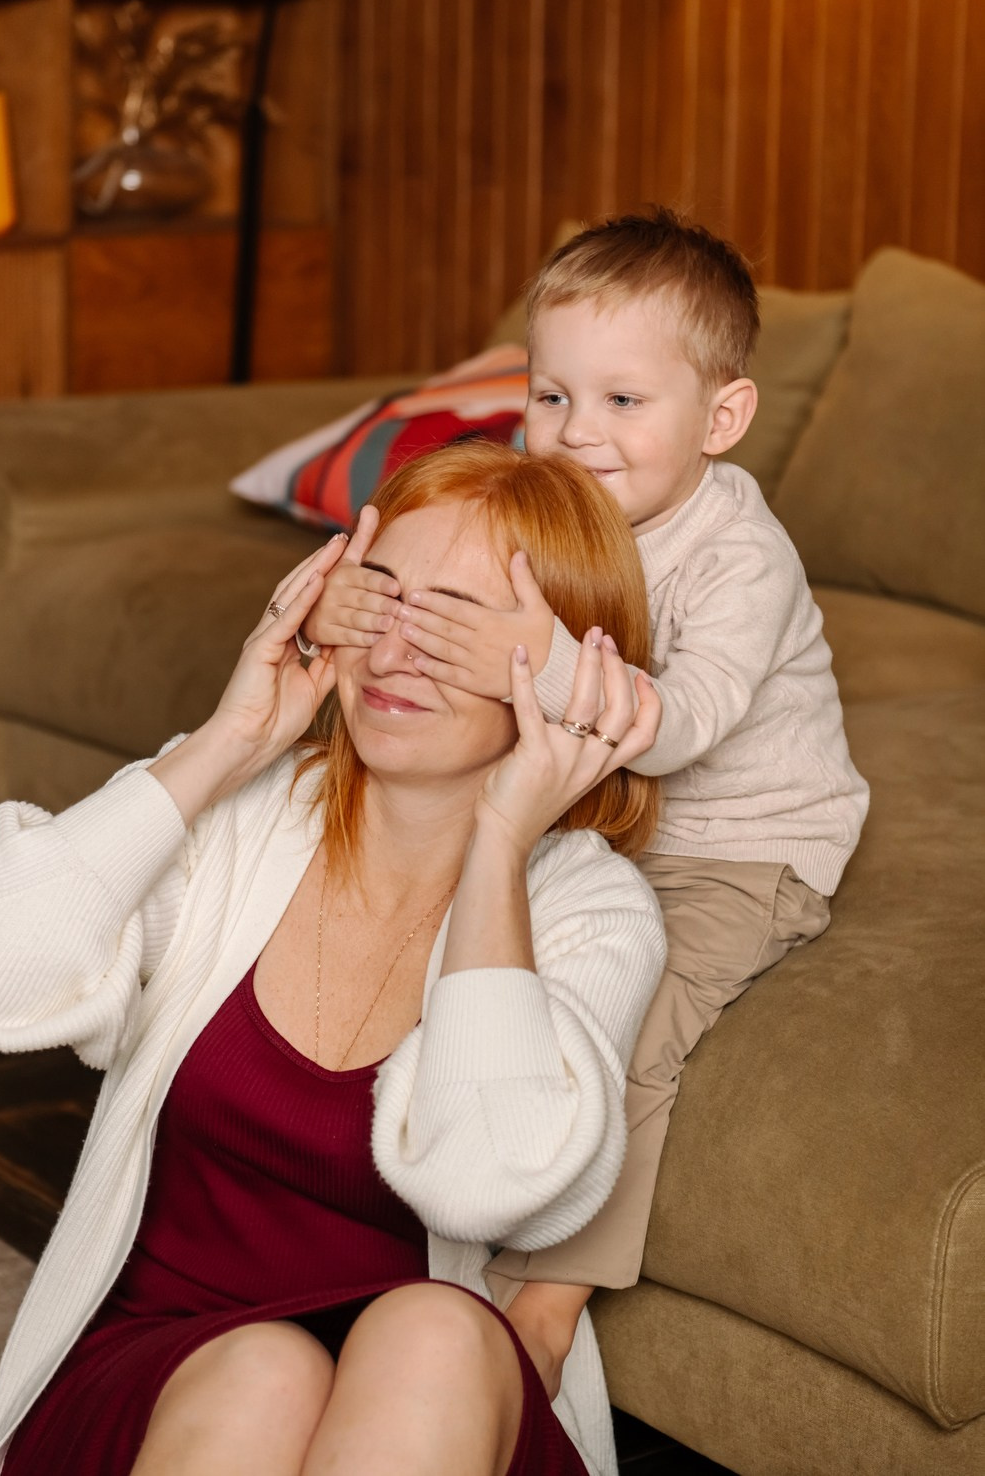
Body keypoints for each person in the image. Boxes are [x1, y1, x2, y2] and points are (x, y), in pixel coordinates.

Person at [0, 441, 667, 1476]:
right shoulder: (243, 817)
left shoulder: (588, 907)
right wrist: (229, 738)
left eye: (454, 622)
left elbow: (486, 1181)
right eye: (377, 597)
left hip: (435, 1408)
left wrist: (497, 842)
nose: (397, 649)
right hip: (167, 1366)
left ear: (579, 671)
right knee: (262, 1372)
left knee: (433, 1328)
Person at [303, 208, 869, 1307]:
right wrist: (357, 607)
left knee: (629, 1034)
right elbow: (440, 610)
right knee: (458, 959)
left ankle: (550, 1306)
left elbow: (686, 723)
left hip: (740, 850)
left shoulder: (738, 556)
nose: (576, 431)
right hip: (598, 820)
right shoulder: (544, 513)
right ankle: (380, 1197)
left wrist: (542, 658)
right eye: (550, 396)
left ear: (723, 414)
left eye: (622, 400)